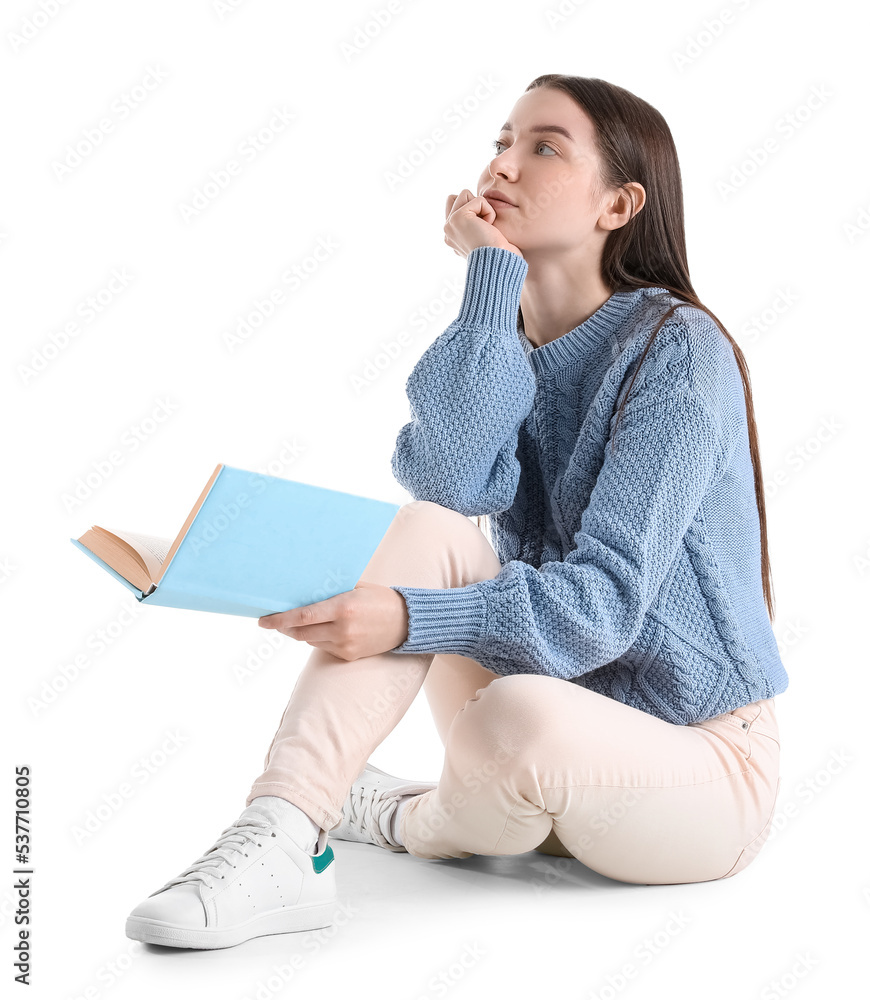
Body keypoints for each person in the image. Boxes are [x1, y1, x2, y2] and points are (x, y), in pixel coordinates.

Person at [125, 73, 787, 951]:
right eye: (500, 140)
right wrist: (489, 288)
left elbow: (604, 608)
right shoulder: (509, 342)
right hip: (548, 736)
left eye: (543, 146)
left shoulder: (677, 350)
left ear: (620, 204)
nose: (502, 165)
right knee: (432, 536)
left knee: (519, 720)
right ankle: (285, 832)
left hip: (699, 768)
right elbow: (448, 488)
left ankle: (407, 815)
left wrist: (407, 618)